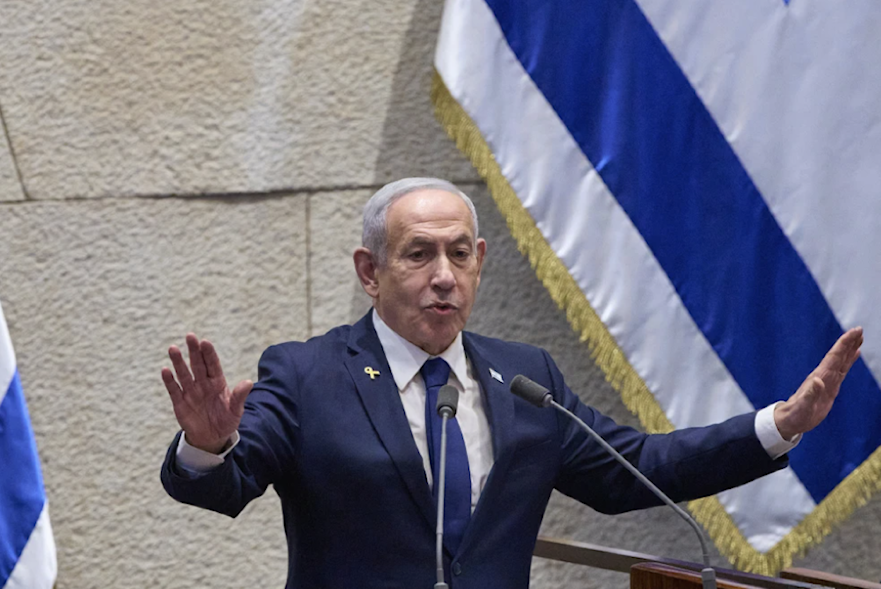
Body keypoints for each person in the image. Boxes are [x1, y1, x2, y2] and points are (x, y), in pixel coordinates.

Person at [159, 178, 863, 589]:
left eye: (459, 253)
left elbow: (636, 470)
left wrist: (782, 422)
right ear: (369, 272)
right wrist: (207, 444)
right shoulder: (307, 373)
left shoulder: (526, 377)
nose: (443, 274)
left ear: (480, 260)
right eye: (418, 254)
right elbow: (225, 486)